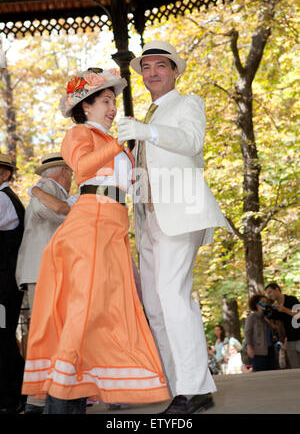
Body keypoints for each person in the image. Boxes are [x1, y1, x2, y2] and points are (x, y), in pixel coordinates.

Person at [22, 67, 169, 414]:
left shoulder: (118, 146)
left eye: (113, 101)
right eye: (105, 100)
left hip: (115, 229)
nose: (112, 107)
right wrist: (119, 142)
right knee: (82, 311)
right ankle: (58, 401)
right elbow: (83, 166)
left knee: (105, 312)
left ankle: (75, 393)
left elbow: (134, 187)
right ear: (85, 106)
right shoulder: (80, 134)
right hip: (90, 224)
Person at [118, 40, 232, 414]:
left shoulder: (188, 104)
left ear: (175, 72)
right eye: (146, 67)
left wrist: (145, 133)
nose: (152, 73)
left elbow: (192, 142)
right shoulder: (147, 116)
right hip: (147, 218)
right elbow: (145, 171)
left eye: (160, 66)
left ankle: (195, 388)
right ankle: (173, 384)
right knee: (154, 304)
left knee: (172, 296)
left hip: (181, 212)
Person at [15, 153, 73, 414]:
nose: (71, 179)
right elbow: (58, 212)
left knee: (45, 333)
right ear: (63, 173)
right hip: (42, 271)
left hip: (40, 270)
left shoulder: (43, 189)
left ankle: (41, 398)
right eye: (70, 173)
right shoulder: (49, 188)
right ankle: (39, 400)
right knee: (45, 335)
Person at [0, 153, 25, 413]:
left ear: (5, 174)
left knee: (3, 336)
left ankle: (12, 397)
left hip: (4, 284)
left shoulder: (2, 199)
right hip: (6, 282)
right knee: (4, 336)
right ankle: (16, 394)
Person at [265, 283, 300, 368]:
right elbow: (276, 326)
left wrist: (284, 310)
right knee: (295, 370)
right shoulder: (275, 308)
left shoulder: (292, 299)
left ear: (277, 289)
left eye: (270, 292)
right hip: (289, 342)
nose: (269, 295)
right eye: (267, 294)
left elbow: (299, 316)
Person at [244, 294, 277, 372]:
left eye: (266, 302)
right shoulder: (252, 317)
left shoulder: (269, 316)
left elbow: (275, 329)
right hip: (258, 351)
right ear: (256, 304)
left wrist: (268, 319)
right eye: (262, 302)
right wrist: (249, 347)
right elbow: (247, 332)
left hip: (270, 350)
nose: (264, 304)